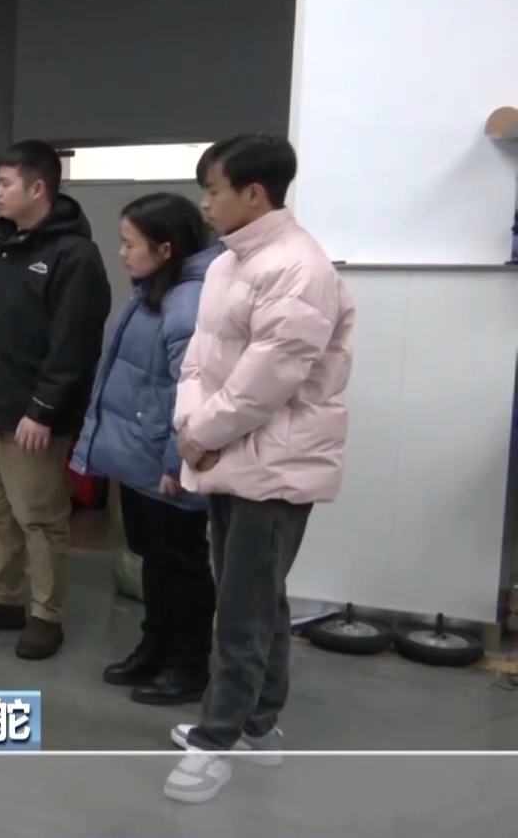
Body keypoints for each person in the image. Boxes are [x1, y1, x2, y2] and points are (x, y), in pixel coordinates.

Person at [163, 133, 354, 804]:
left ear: (254, 193)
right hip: (225, 452)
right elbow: (198, 357)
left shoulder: (299, 268)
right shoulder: (227, 263)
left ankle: (215, 742)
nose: (204, 203)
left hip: (272, 465)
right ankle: (258, 725)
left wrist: (202, 433)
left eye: (212, 190)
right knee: (256, 598)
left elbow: (268, 379)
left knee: (243, 608)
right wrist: (191, 426)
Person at [0, 139, 110, 659]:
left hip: (32, 415)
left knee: (39, 516)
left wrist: (44, 409)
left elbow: (74, 342)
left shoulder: (74, 256)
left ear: (38, 188)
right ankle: (1, 596)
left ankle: (45, 613)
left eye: (4, 183)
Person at [70, 192, 220, 706]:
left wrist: (177, 462)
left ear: (165, 248)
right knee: (154, 563)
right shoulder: (153, 291)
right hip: (141, 458)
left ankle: (189, 666)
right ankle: (154, 648)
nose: (122, 253)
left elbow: (191, 393)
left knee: (182, 566)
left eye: (129, 243)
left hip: (167, 463)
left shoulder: (187, 302)